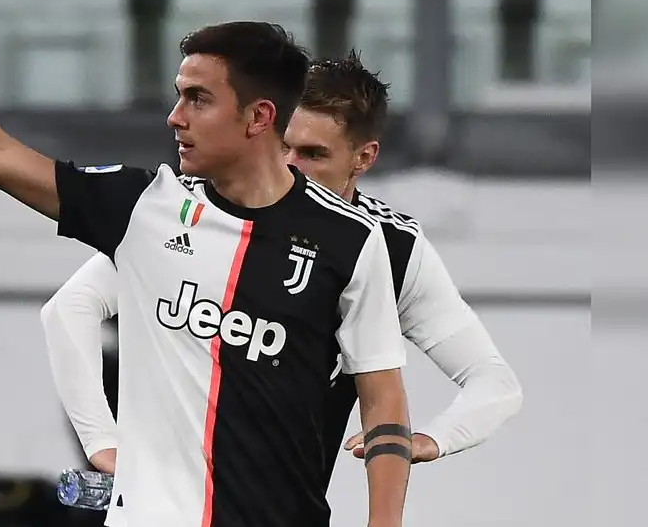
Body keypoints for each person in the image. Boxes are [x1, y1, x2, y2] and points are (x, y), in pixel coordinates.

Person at [0, 0, 413, 527]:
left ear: (259, 117)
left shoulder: (353, 242)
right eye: (178, 97)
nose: (174, 118)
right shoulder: (146, 209)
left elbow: (383, 398)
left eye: (198, 100)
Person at [42, 53, 524, 510]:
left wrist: (432, 440)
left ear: (364, 157)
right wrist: (102, 443)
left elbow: (494, 382)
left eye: (314, 154)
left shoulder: (389, 249)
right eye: (284, 145)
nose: (292, 166)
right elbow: (70, 308)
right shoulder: (194, 209)